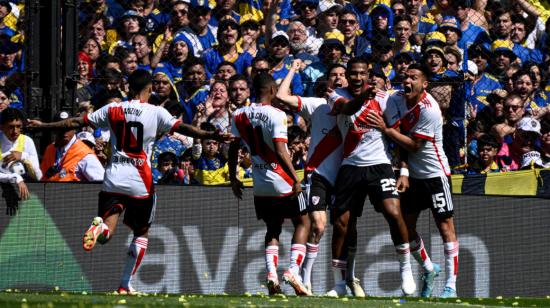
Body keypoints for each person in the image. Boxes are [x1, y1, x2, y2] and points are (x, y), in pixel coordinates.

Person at [28, 69, 228, 294]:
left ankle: (100, 228)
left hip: (113, 178)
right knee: (141, 233)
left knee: (107, 233)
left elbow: (75, 122)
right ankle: (125, 284)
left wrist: (43, 126)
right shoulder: (156, 112)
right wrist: (211, 135)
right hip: (140, 183)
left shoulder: (113, 109)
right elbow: (183, 128)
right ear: (150, 89)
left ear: (128, 88)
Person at [367, 63, 459, 298]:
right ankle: (429, 269)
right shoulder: (395, 98)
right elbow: (375, 92)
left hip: (435, 175)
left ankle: (451, 286)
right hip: (412, 178)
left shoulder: (429, 109)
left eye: (414, 78)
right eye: (405, 77)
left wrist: (386, 130)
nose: (407, 81)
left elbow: (415, 146)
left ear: (424, 84)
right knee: (405, 228)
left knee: (445, 227)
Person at [325, 57, 414, 297]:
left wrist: (404, 170)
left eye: (361, 73)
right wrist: (364, 98)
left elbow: (399, 134)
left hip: (380, 165)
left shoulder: (385, 99)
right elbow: (347, 109)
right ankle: (339, 284)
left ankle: (406, 270)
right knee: (342, 224)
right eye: (352, 73)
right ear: (347, 75)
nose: (356, 78)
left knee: (394, 212)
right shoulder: (336, 94)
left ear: (368, 75)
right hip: (350, 166)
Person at [276, 60, 366, 296]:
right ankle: (304, 279)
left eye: (342, 74)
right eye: (333, 75)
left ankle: (351, 278)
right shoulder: (316, 105)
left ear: (349, 79)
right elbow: (281, 96)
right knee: (318, 225)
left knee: (350, 229)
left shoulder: (357, 106)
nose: (338, 78)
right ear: (327, 81)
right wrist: (294, 68)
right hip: (318, 173)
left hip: (347, 174)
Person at [228, 73, 311, 296]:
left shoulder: (238, 114)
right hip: (281, 179)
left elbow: (234, 147)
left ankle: (272, 273)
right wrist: (295, 178)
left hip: (260, 183)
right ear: (273, 90)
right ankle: (293, 270)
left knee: (272, 228)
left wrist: (233, 176)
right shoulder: (277, 114)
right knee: (304, 222)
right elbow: (282, 150)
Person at [40, 111, 105, 182]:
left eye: (68, 127)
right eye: (60, 127)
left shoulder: (84, 154)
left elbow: (100, 183)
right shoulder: (50, 149)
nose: (64, 131)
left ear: (75, 129)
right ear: (54, 130)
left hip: (72, 192)